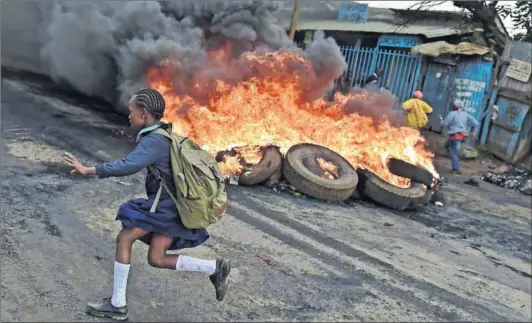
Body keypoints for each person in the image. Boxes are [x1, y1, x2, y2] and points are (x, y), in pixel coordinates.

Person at [63, 89, 230, 321]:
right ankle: (214, 268)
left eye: (131, 111)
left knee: (124, 238)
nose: (128, 115)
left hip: (166, 207)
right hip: (175, 206)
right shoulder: (164, 133)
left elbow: (127, 165)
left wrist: (89, 170)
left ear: (143, 113)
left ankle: (117, 305)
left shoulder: (154, 140)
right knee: (157, 258)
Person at [441, 100, 479, 174]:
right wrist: (472, 131)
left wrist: (441, 120)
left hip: (455, 135)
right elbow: (475, 123)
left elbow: (445, 123)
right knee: (448, 145)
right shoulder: (465, 114)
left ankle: (456, 169)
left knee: (453, 151)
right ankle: (455, 160)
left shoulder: (452, 114)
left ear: (454, 106)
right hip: (462, 135)